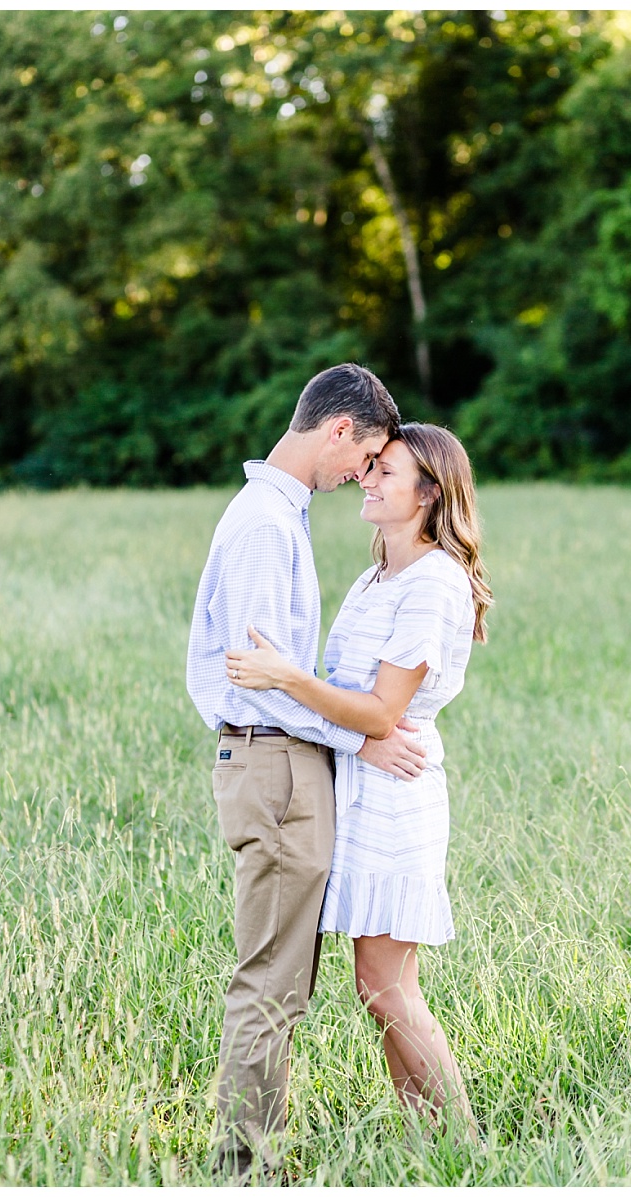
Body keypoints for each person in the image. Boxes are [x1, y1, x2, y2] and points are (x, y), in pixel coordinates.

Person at [187, 363, 424, 1181]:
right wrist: (362, 741)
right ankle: (247, 1164)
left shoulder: (274, 516)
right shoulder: (264, 524)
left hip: (283, 761)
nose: (358, 477)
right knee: (272, 979)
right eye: (362, 461)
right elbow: (265, 674)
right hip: (276, 761)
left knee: (283, 976)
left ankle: (258, 1152)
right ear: (338, 431)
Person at [227, 422, 493, 1134]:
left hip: (396, 795)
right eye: (369, 467)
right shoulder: (379, 575)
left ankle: (460, 1139)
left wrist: (288, 675)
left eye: (386, 471)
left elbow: (383, 712)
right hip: (361, 784)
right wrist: (343, 722)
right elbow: (363, 712)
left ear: (429, 493)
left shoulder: (435, 582)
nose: (368, 480)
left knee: (386, 986)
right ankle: (429, 1144)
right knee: (380, 986)